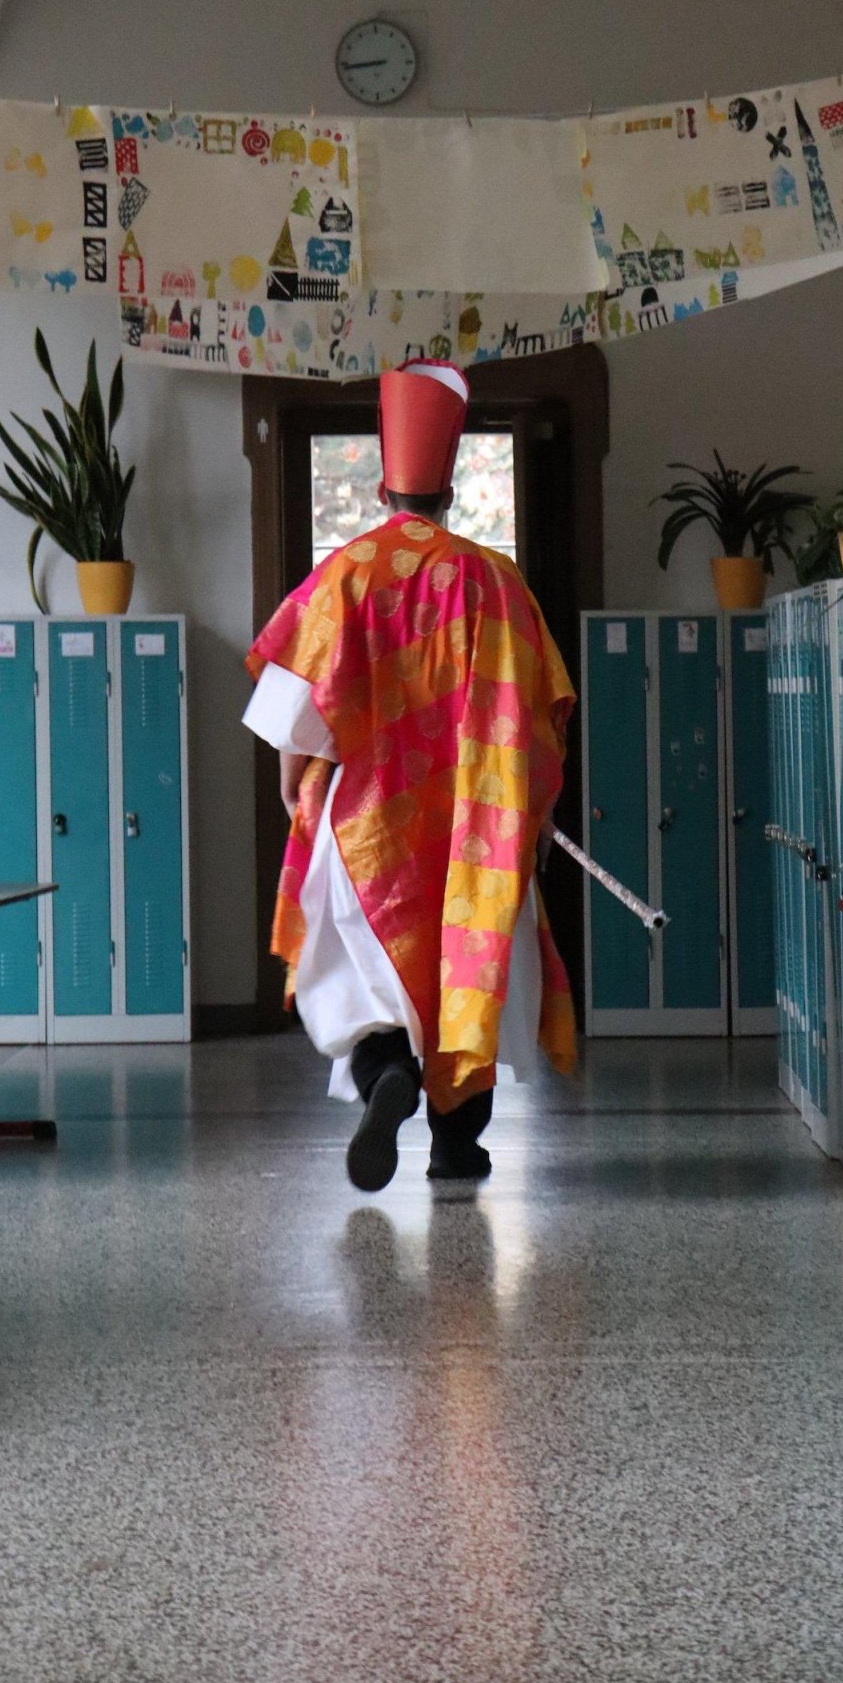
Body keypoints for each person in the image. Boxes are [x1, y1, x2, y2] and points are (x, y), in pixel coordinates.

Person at [242, 359, 577, 1193]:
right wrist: (533, 808)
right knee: (469, 976)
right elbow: (541, 712)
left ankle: (385, 1069)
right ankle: (457, 1147)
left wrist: (295, 783)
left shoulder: (347, 573)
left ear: (382, 493)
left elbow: (295, 703)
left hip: (366, 821)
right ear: (449, 495)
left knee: (364, 975)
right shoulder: (496, 580)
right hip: (475, 824)